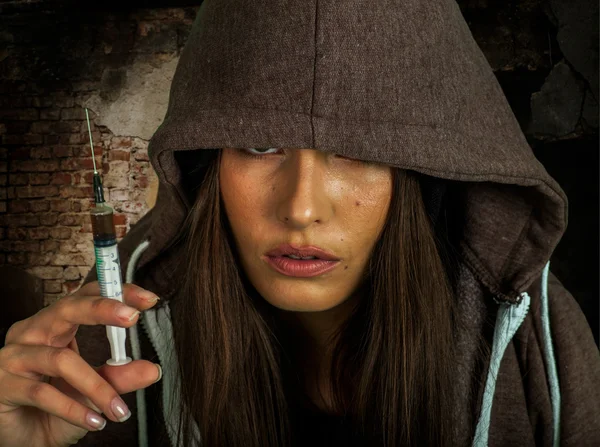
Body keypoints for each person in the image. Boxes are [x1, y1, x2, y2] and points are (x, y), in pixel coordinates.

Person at [1, 1, 599, 446]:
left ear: (420, 173)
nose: (302, 207)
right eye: (259, 144)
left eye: (359, 150)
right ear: (205, 162)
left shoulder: (538, 348)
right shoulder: (105, 351)